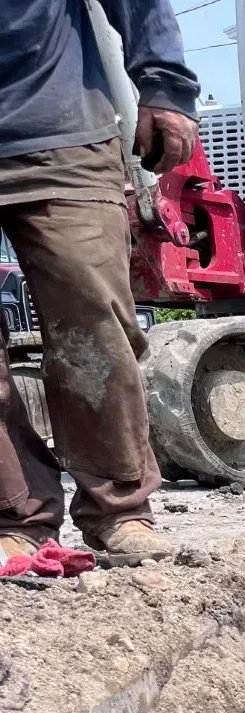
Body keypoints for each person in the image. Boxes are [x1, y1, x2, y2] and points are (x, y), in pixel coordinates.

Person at [0, 2, 200, 562]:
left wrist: (164, 85)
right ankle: (16, 515)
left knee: (94, 329)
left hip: (58, 131)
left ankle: (119, 509)